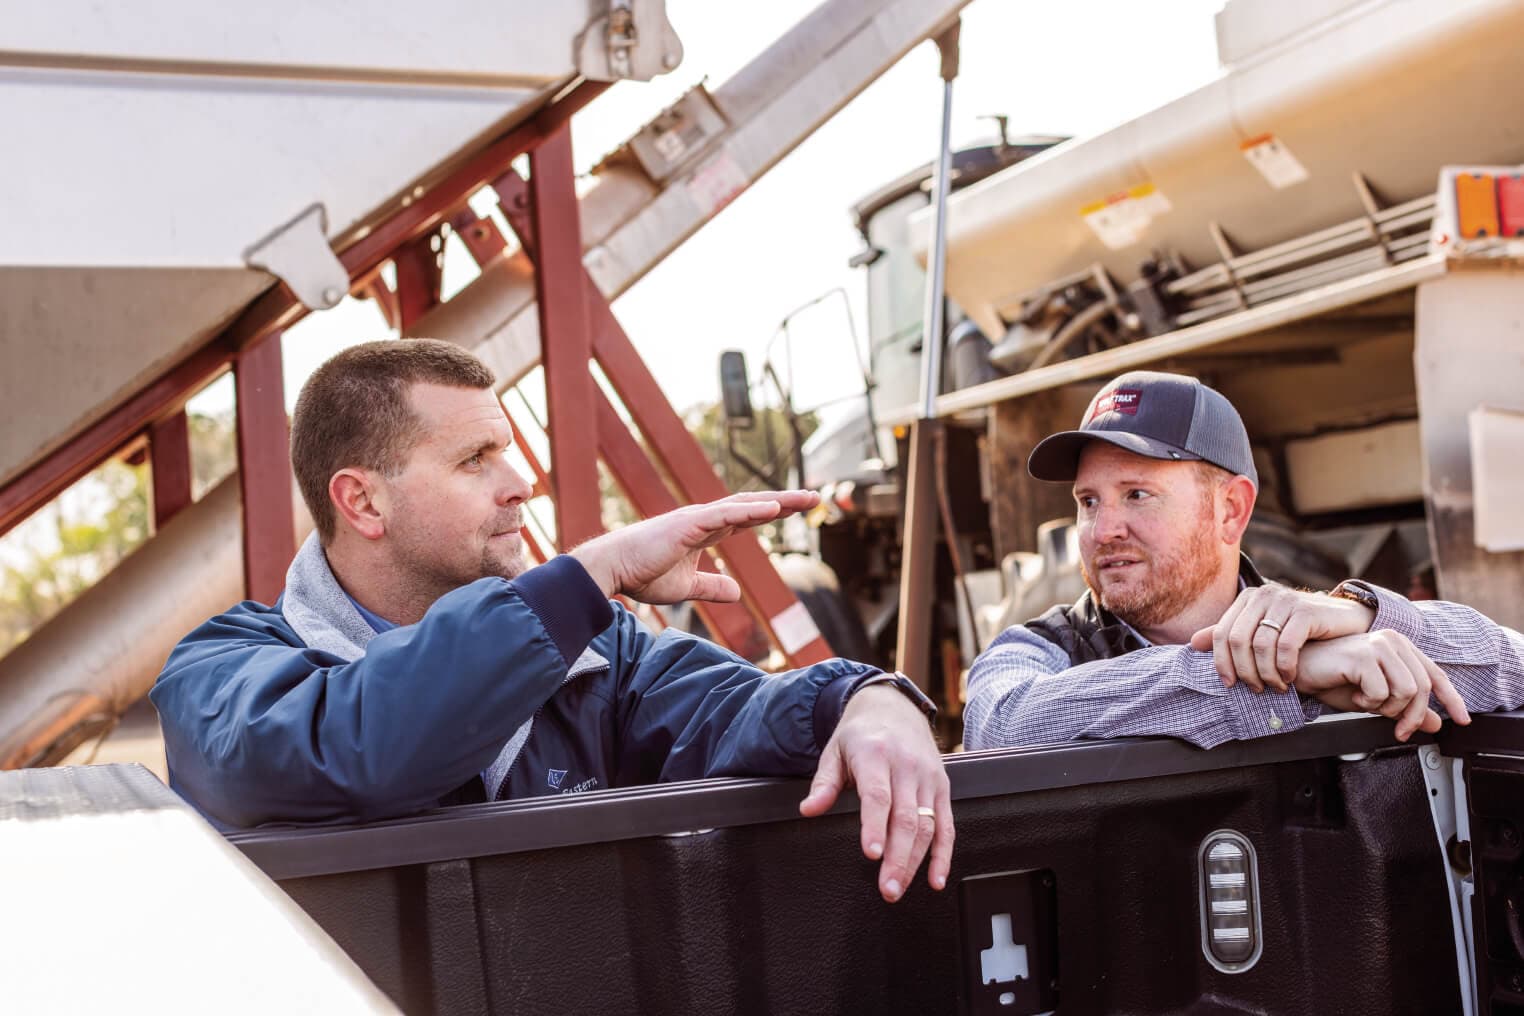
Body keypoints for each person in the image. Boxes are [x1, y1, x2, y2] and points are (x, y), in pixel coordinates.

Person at [151, 339, 950, 904]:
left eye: (509, 451)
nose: (521, 482)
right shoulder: (222, 676)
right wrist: (590, 575)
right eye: (476, 459)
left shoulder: (602, 655)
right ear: (362, 501)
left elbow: (737, 710)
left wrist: (862, 698)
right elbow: (351, 745)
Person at [963, 370, 1524, 751]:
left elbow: (1514, 668)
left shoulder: (1327, 631)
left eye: (1136, 495)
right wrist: (1285, 672)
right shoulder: (1035, 650)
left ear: (1231, 509)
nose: (1103, 530)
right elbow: (1001, 725)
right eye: (1089, 502)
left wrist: (1361, 615)